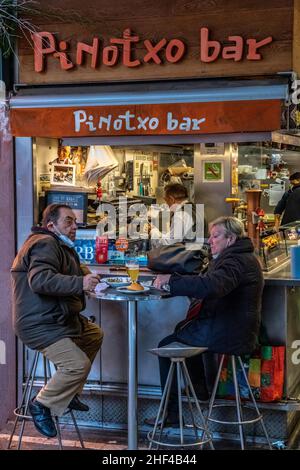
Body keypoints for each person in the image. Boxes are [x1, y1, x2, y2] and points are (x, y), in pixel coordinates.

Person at [150, 216, 264, 425]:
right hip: (234, 329)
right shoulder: (241, 257)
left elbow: (212, 286)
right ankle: (199, 390)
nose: (210, 241)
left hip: (228, 333)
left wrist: (171, 282)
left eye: (216, 236)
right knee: (182, 333)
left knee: (166, 346)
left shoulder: (234, 261)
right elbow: (211, 282)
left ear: (230, 239)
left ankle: (172, 413)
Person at [11, 204, 103, 438]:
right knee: (76, 365)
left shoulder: (60, 245)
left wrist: (87, 277)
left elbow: (69, 270)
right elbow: (41, 280)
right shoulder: (45, 242)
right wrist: (81, 284)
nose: (74, 227)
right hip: (40, 324)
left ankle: (69, 393)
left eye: (75, 222)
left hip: (58, 318)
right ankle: (41, 404)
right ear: (51, 225)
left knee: (93, 335)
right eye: (68, 222)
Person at [149, 183, 205, 248]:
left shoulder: (180, 215)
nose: (166, 203)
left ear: (171, 199)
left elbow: (168, 244)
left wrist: (153, 232)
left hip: (187, 255)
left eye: (166, 200)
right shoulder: (193, 208)